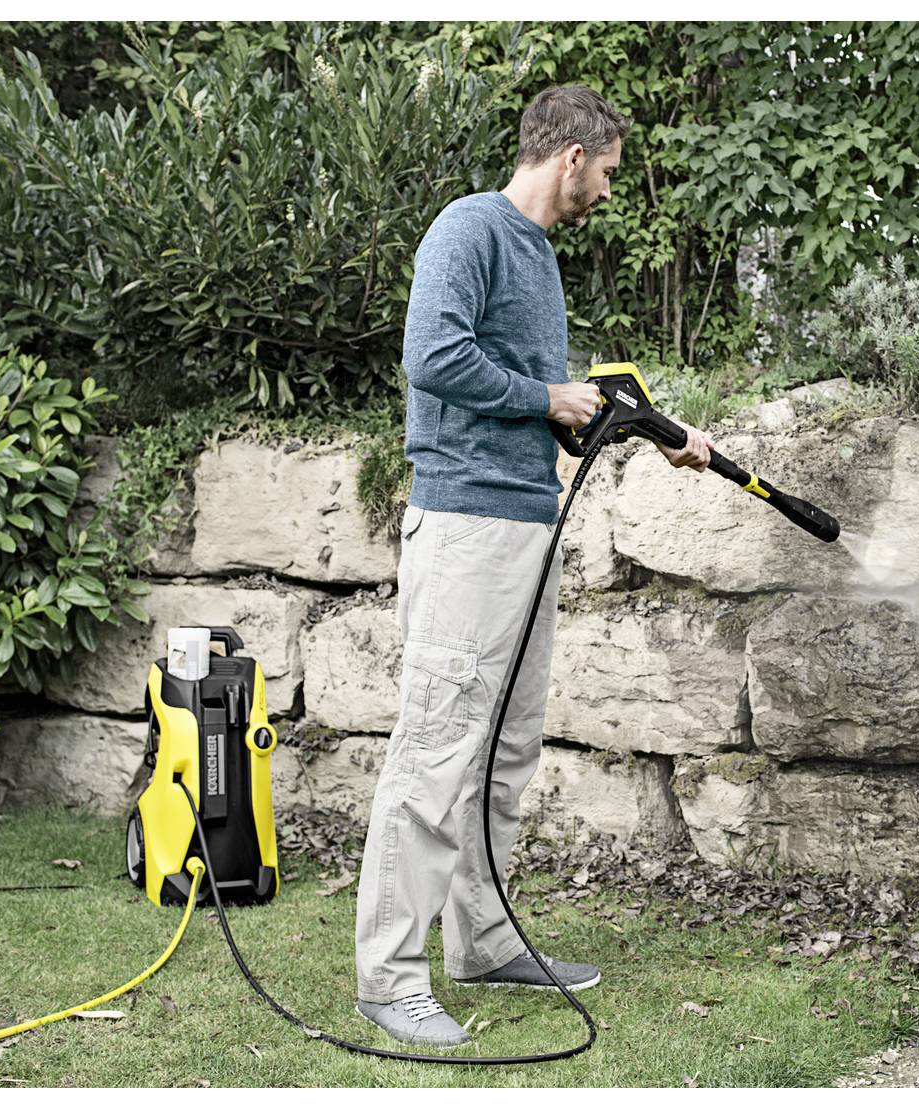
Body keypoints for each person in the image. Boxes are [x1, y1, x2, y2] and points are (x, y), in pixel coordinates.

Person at [354, 85, 715, 1048]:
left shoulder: (540, 257)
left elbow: (535, 391)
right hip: (466, 526)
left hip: (521, 522)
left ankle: (481, 939)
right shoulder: (468, 230)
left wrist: (643, 425)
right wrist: (547, 397)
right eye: (606, 170)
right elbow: (432, 355)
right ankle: (389, 977)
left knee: (504, 754)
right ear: (570, 156)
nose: (606, 188)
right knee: (437, 752)